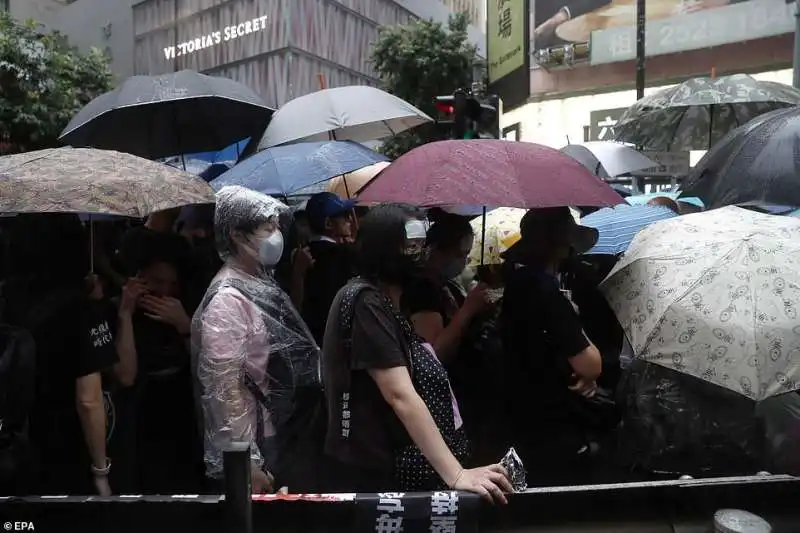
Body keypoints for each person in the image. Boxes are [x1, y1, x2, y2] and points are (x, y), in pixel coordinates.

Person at [321, 204, 512, 501]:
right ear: (385, 249)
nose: (421, 255)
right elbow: (400, 394)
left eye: (422, 245)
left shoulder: (389, 302)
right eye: (410, 247)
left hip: (390, 464)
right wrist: (457, 474)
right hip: (372, 473)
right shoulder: (365, 302)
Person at [193, 186, 322, 493]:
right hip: (257, 441)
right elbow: (224, 389)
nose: (276, 235)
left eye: (278, 226)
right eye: (268, 228)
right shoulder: (227, 301)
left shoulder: (258, 283)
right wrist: (247, 461)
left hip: (277, 429)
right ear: (237, 236)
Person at [3, 214, 117, 495]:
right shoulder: (82, 310)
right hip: (66, 445)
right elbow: (89, 400)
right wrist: (100, 470)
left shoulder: (6, 296)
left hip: (12, 441)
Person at [500, 207, 604, 487]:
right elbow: (590, 363)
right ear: (562, 243)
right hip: (551, 417)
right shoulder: (546, 291)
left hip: (519, 408)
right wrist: (573, 316)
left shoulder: (517, 284)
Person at [112, 252, 203, 494]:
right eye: (157, 281)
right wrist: (125, 314)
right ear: (140, 279)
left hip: (180, 405)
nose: (164, 290)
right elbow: (125, 375)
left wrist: (184, 325)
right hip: (138, 407)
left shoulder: (184, 307)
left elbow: (205, 364)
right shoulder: (120, 310)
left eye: (171, 284)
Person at [300, 192, 358, 345]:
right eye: (344, 216)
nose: (350, 219)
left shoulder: (303, 255)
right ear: (328, 224)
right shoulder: (339, 255)